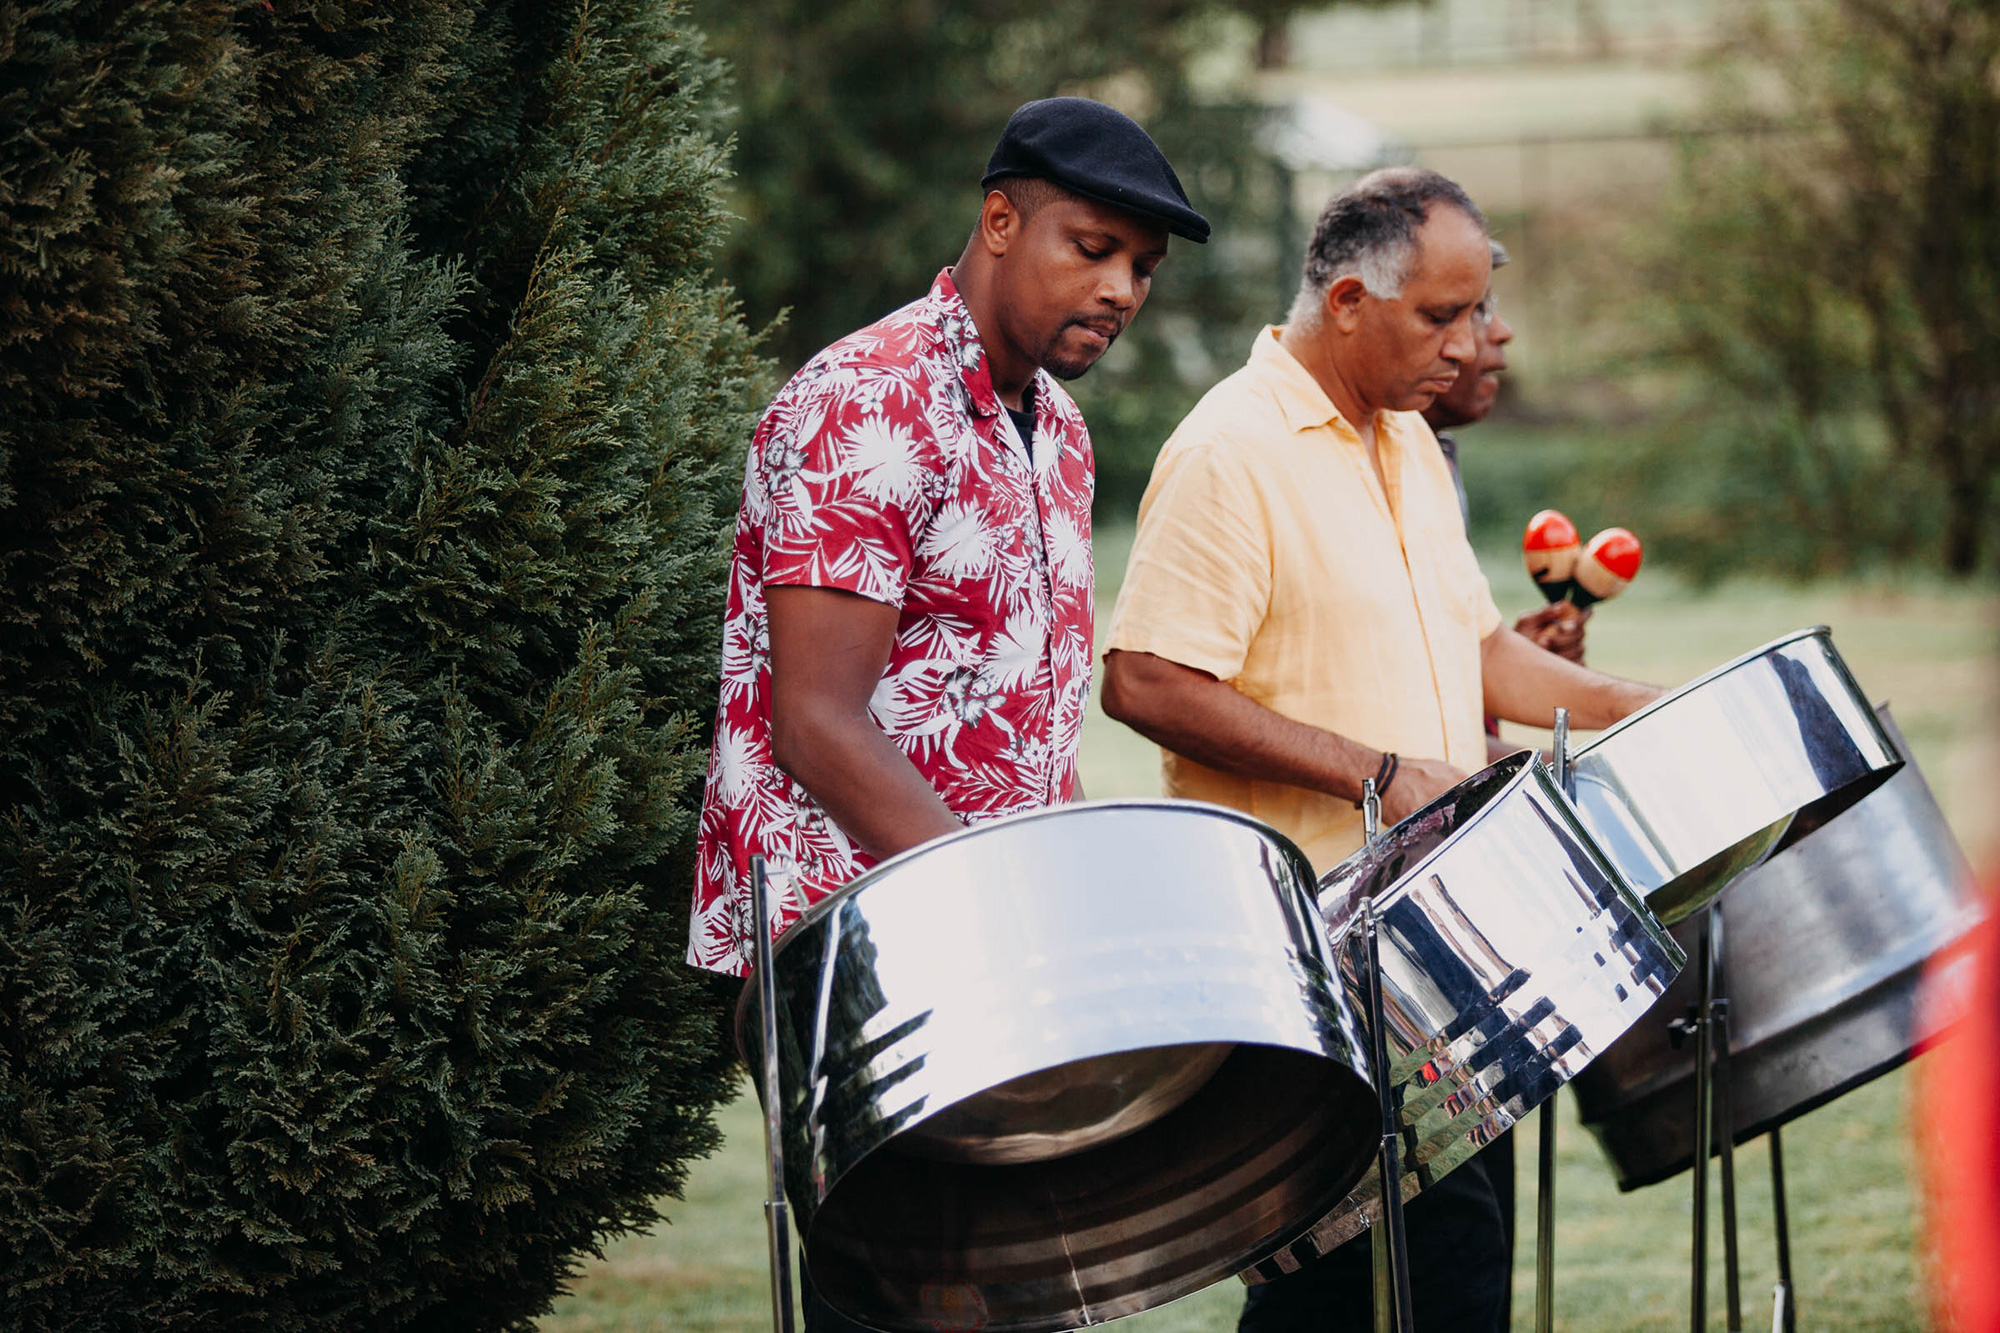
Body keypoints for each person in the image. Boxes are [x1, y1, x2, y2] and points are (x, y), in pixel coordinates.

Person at [1100, 166, 1663, 1333]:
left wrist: (1631, 699)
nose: (1467, 346)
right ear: (1348, 301)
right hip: (1316, 967)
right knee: (1332, 1297)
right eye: (1438, 316)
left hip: (1448, 947)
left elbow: (1480, 647)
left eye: (1473, 312)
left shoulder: (1402, 438)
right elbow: (1144, 677)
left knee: (1454, 1279)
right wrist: (1373, 772)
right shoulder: (1230, 452)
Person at [685, 97, 1207, 1332]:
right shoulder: (868, 401)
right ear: (998, 216)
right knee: (922, 1302)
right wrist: (1006, 914)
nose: (1122, 289)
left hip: (997, 945)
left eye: (1142, 267)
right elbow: (816, 721)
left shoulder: (1060, 435)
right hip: (858, 947)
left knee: (1023, 1298)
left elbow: (1022, 719)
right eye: (1092, 247)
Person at [1421, 241, 1589, 669]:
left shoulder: (1434, 455)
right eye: (1472, 310)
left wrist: (1507, 658)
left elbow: (1432, 677)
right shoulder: (1361, 473)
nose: (1502, 330)